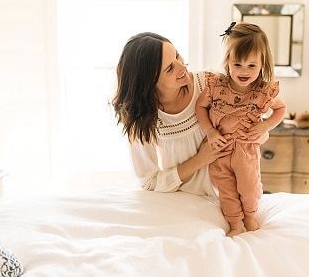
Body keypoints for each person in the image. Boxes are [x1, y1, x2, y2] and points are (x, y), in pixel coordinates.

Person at [196, 22, 287, 236]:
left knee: (249, 188)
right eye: (237, 64)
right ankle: (235, 223)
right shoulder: (216, 86)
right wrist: (210, 131)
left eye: (251, 66)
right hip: (221, 151)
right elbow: (200, 107)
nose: (244, 71)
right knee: (226, 191)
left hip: (246, 152)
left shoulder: (263, 91)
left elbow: (281, 109)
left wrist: (265, 124)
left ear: (263, 64)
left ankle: (250, 216)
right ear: (227, 61)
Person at [112, 32, 228, 197]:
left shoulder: (209, 84)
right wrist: (200, 160)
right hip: (181, 202)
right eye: (170, 68)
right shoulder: (143, 119)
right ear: (149, 81)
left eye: (177, 56)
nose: (182, 67)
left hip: (229, 199)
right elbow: (149, 182)